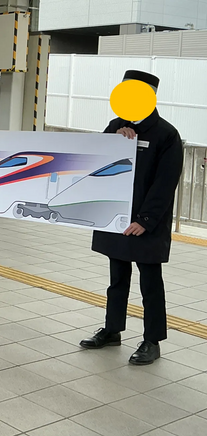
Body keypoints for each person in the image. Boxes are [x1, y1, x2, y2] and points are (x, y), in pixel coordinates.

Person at [80, 70, 183, 365]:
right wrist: (113, 140)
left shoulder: (166, 134)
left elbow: (166, 183)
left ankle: (152, 340)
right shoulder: (115, 126)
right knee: (117, 279)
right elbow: (97, 161)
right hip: (116, 218)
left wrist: (146, 220)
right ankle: (112, 330)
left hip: (145, 223)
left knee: (150, 283)